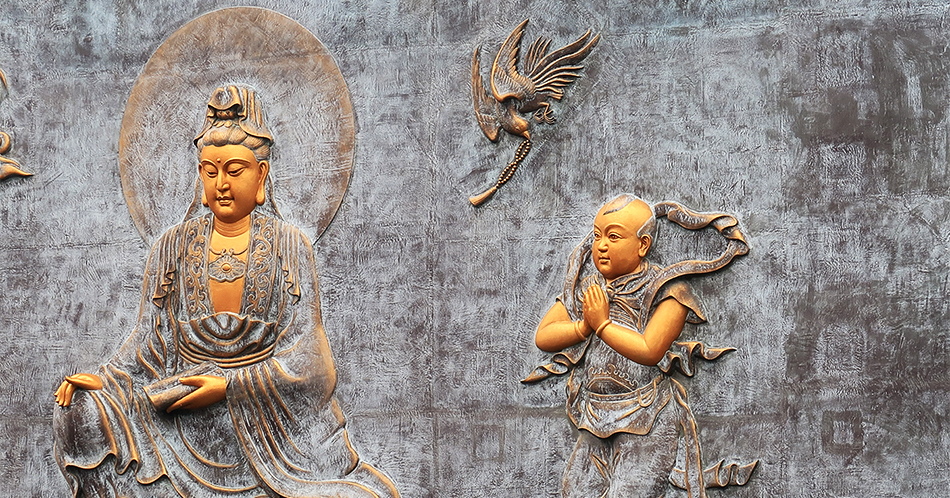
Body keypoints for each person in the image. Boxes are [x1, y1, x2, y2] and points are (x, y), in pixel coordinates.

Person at [53, 85, 400, 498]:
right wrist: (106, 379)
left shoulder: (290, 246)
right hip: (180, 430)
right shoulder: (171, 247)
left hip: (271, 433)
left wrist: (229, 386)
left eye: (235, 171)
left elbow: (313, 363)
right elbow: (148, 342)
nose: (221, 184)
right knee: (79, 410)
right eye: (210, 170)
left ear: (261, 175)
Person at [526, 195, 755, 498]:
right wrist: (583, 327)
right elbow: (544, 336)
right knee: (574, 491)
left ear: (643, 245)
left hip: (647, 417)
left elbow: (650, 350)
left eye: (613, 237)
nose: (601, 245)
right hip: (595, 417)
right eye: (597, 235)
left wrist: (603, 325)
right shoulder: (589, 288)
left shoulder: (669, 289)